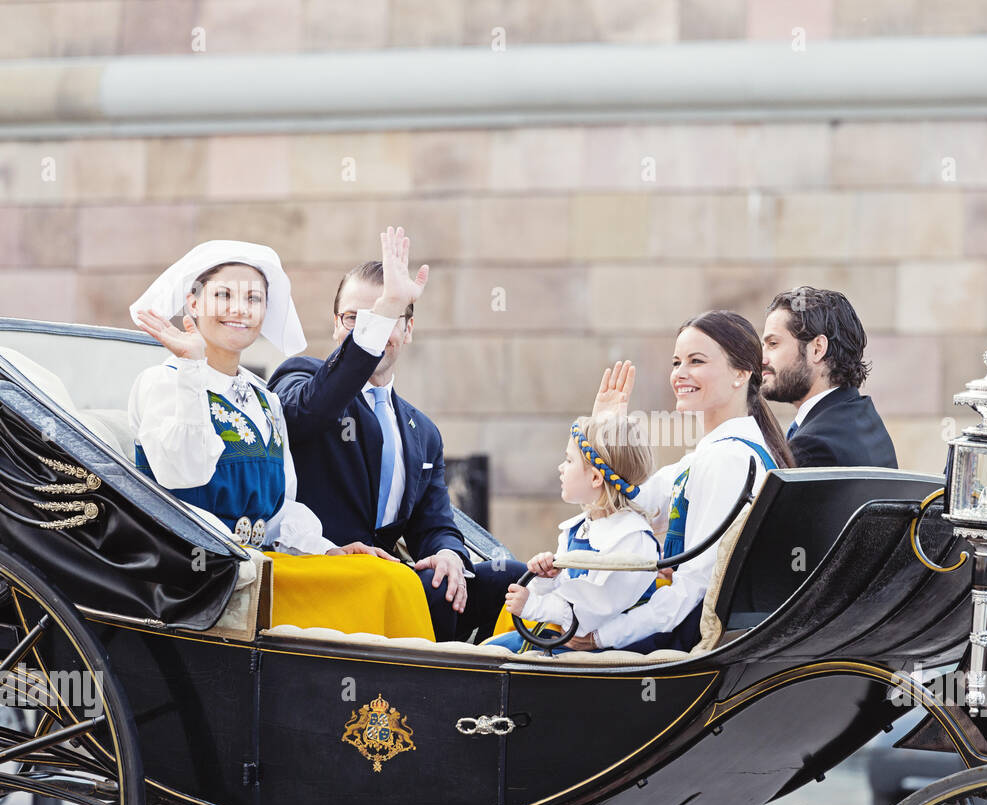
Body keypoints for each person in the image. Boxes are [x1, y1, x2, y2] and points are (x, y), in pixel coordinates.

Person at [128, 238, 435, 639]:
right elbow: (183, 473)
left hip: (262, 572)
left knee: (385, 574)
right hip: (199, 582)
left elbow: (280, 510)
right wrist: (191, 368)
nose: (240, 309)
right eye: (224, 295)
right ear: (194, 302)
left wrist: (329, 550)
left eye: (253, 298)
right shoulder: (163, 383)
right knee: (386, 585)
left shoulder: (263, 400)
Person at [267, 227, 523, 642]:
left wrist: (447, 555)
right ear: (337, 326)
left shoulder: (421, 431)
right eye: (357, 318)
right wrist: (386, 308)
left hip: (392, 579)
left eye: (388, 317)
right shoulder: (302, 377)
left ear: (408, 329)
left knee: (515, 581)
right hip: (325, 577)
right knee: (431, 593)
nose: (373, 328)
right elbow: (311, 412)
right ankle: (436, 697)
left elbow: (435, 524)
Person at [585, 310, 796, 654]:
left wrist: (601, 638)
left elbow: (693, 590)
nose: (680, 374)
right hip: (674, 627)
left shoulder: (728, 460)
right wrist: (605, 429)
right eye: (676, 362)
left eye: (696, 361)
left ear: (741, 373)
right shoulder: (710, 456)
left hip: (682, 644)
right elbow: (625, 504)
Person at [486, 414, 659, 654]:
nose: (560, 467)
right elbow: (566, 589)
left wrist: (534, 605)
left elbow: (597, 608)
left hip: (607, 649)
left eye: (568, 460)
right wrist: (549, 579)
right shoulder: (577, 528)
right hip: (568, 639)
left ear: (596, 477)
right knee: (492, 648)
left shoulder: (632, 537)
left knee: (501, 656)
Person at [760, 286, 898, 469]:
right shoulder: (866, 419)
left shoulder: (813, 446)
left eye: (773, 344)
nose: (762, 359)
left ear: (817, 349)